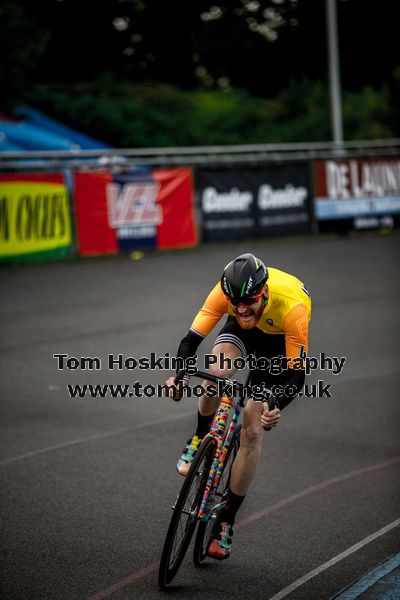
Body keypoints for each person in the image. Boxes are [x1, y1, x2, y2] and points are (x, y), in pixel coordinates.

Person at [165, 253, 311, 560]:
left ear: (265, 292)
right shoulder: (227, 295)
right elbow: (190, 340)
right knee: (216, 373)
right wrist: (179, 376)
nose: (243, 308)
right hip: (242, 336)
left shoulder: (293, 307)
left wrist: (276, 405)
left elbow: (297, 375)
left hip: (277, 344)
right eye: (236, 302)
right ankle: (198, 437)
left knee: (253, 427)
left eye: (250, 301)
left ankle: (226, 521)